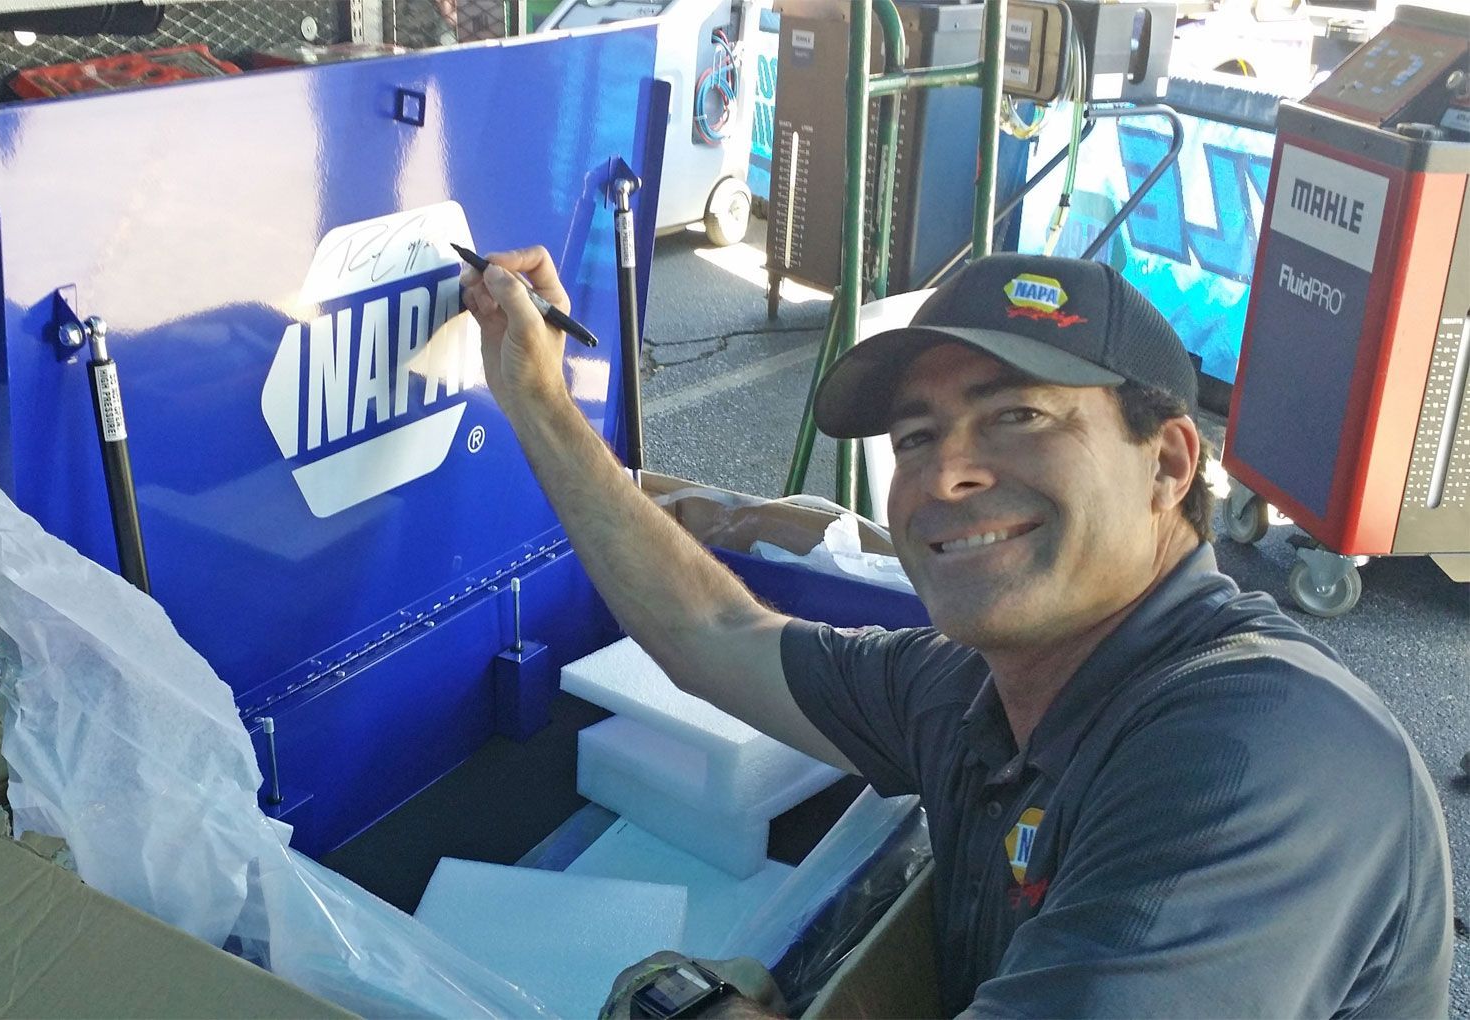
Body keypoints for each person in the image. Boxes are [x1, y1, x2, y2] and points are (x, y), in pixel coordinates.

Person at [458, 248, 1453, 1018]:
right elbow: (720, 631)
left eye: (1017, 414)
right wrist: (539, 402)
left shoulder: (1252, 760)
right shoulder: (983, 692)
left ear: (1168, 464)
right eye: (916, 438)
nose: (945, 476)